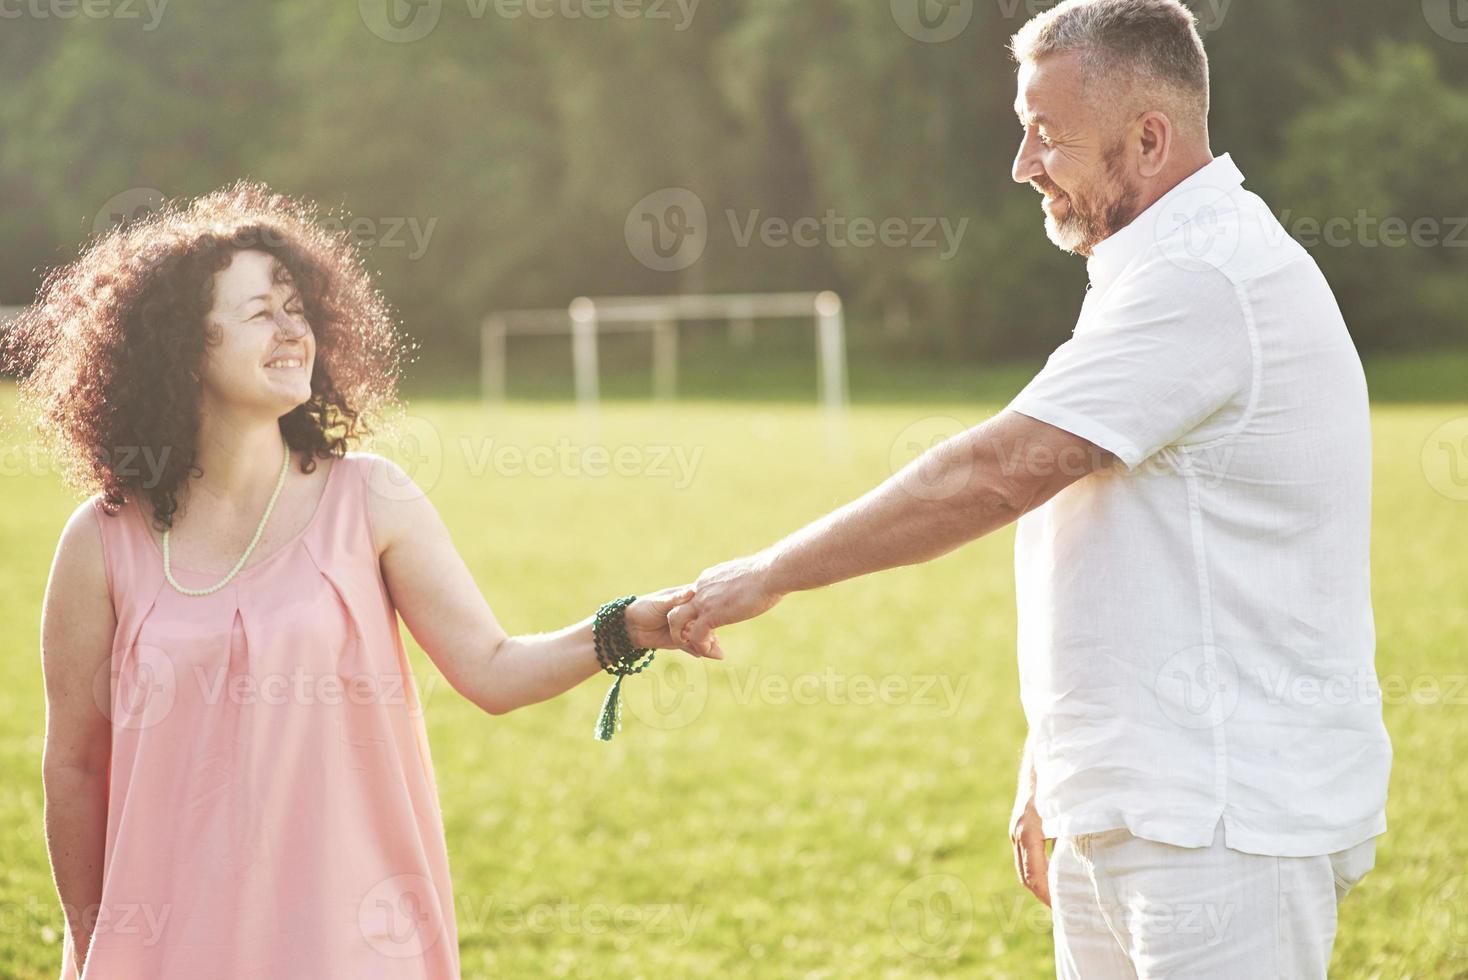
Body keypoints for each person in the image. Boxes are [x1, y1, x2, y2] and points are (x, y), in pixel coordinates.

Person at [665, 1, 1390, 975]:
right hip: (1141, 800)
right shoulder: (1150, 273)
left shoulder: (1204, 277)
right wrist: (1056, 754)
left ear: (1147, 136)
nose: (1021, 164)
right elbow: (1118, 537)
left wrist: (771, 571)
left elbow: (995, 472)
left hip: (1225, 824)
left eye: (1046, 135)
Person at [7, 182, 710, 979]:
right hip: (168, 949)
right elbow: (74, 765)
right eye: (259, 312)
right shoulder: (101, 541)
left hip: (353, 942)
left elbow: (493, 669)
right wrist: (92, 944)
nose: (291, 330)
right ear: (183, 350)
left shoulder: (371, 498)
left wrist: (627, 628)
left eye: (297, 308)